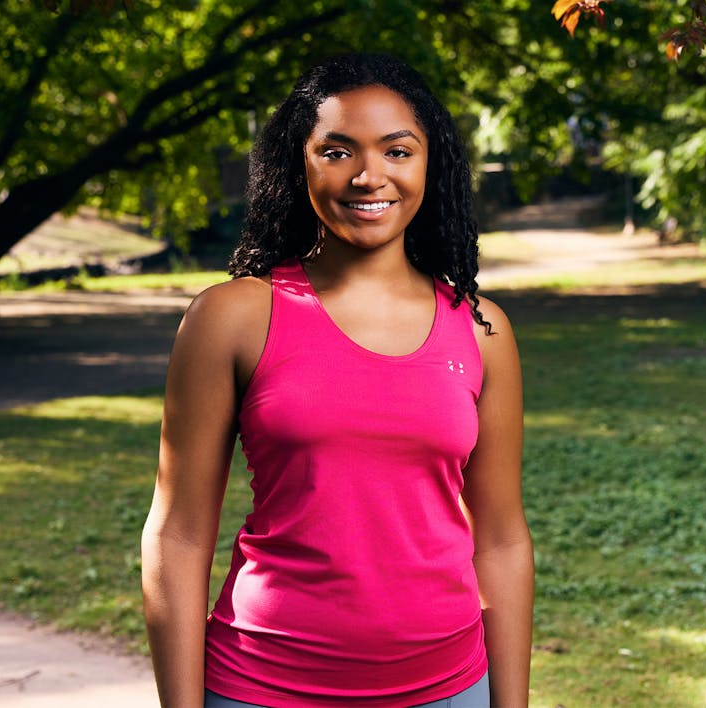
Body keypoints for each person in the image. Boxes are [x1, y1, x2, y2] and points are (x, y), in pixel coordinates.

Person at [141, 53, 533, 708]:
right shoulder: (232, 317)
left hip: (448, 689)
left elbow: (502, 538)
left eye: (397, 151)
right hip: (263, 687)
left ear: (430, 164)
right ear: (301, 163)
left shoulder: (483, 331)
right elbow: (178, 533)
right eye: (337, 151)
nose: (368, 176)